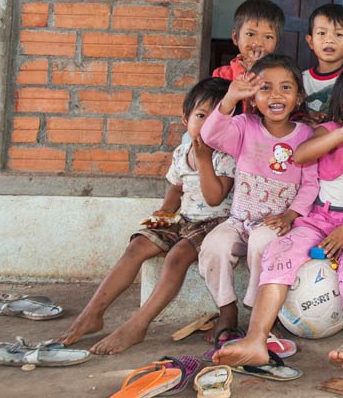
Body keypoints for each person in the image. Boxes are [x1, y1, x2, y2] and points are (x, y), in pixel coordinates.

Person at [213, 58, 343, 374]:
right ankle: (256, 338)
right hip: (317, 218)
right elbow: (300, 155)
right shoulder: (327, 131)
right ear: (342, 100)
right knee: (280, 252)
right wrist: (342, 134)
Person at [58, 78, 235, 354]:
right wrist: (166, 211)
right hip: (185, 219)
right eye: (201, 116)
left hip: (215, 224)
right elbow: (176, 187)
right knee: (137, 245)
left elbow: (215, 197)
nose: (208, 126)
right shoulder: (181, 153)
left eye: (217, 119)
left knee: (176, 257)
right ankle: (92, 313)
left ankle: (138, 324)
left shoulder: (226, 156)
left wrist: (203, 160)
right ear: (185, 118)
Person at [197, 55, 319, 340]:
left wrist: (291, 216)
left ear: (299, 98)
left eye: (285, 88)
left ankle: (258, 314)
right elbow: (210, 135)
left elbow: (311, 185)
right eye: (265, 88)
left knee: (264, 244)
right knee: (214, 246)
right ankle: (227, 311)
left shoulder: (307, 136)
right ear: (253, 98)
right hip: (239, 219)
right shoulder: (243, 126)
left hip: (276, 221)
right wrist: (229, 99)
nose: (276, 95)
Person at [212, 0, 285, 80]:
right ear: (235, 38)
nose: (258, 43)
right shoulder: (221, 74)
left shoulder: (281, 77)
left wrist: (257, 72)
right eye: (250, 34)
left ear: (277, 44)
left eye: (268, 37)